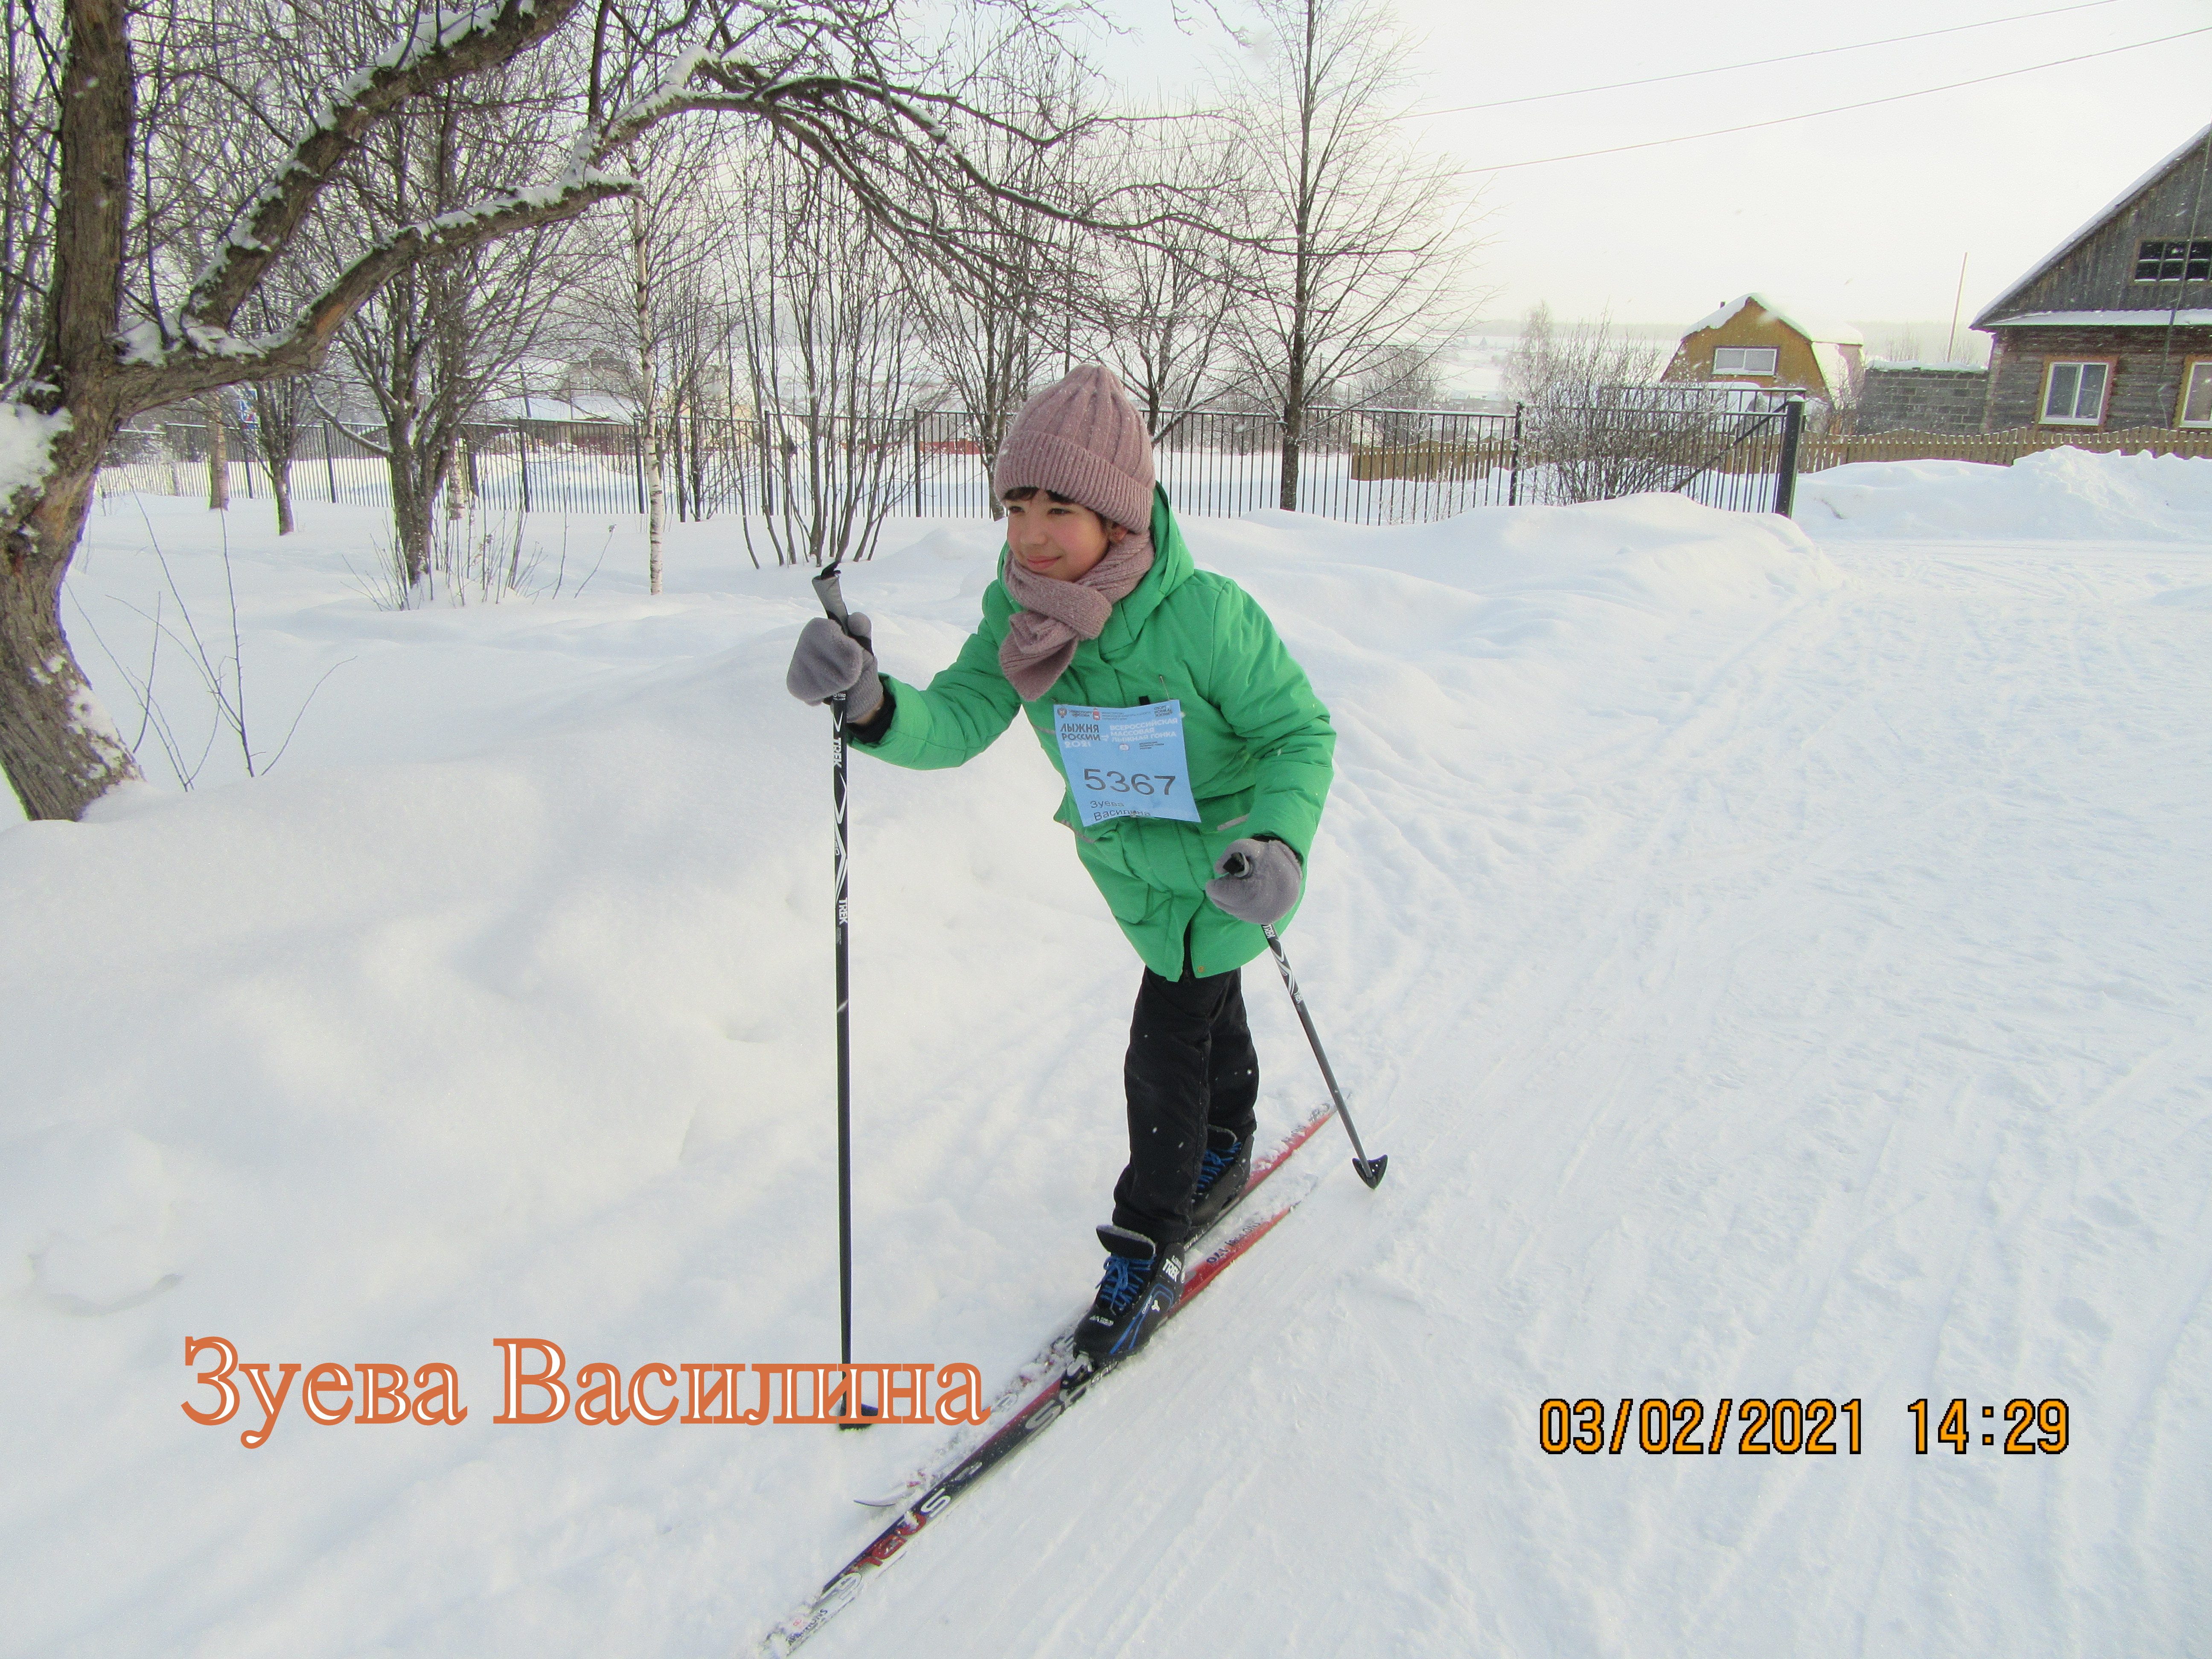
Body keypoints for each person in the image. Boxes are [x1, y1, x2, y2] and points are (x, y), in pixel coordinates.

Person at [784, 365, 1334, 1368]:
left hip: (1231, 864)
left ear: (1119, 520)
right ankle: (1228, 1135)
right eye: (1016, 506)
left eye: (1060, 510)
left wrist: (1280, 846)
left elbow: (1298, 733)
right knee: (1204, 996)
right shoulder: (1020, 615)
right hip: (1134, 872)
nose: (1032, 533)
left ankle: (1149, 1240)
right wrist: (872, 704)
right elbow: (959, 719)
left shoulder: (1206, 615)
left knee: (1166, 1037)